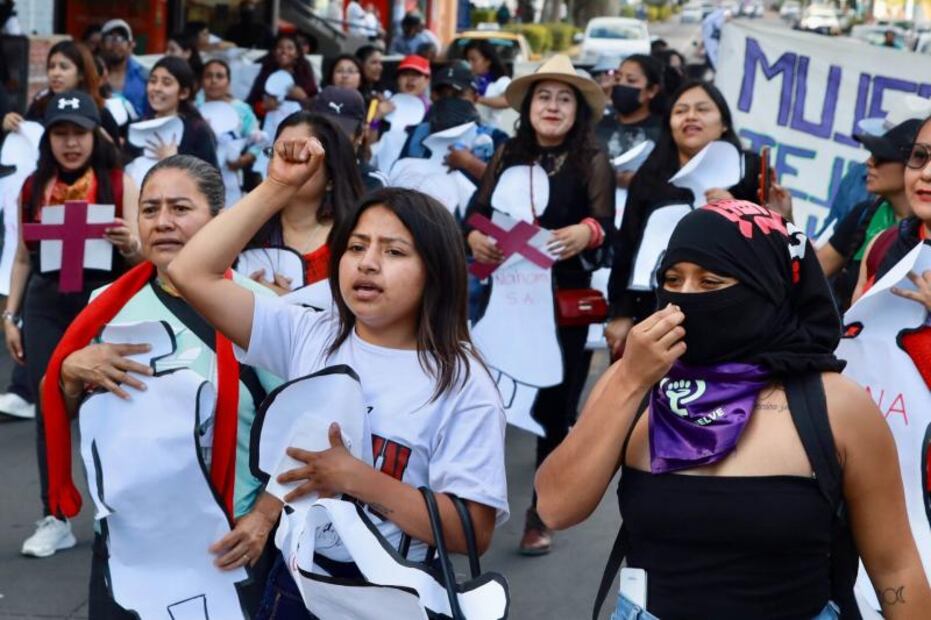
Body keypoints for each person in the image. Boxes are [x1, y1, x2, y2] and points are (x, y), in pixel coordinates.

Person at [535, 202, 931, 619]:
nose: (685, 296)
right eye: (672, 278)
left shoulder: (836, 406)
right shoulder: (636, 382)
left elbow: (895, 567)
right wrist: (630, 381)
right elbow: (557, 508)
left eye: (711, 281)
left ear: (767, 288)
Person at [166, 154, 508, 619]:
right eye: (356, 247)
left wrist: (354, 478)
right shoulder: (310, 332)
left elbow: (471, 530)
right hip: (297, 589)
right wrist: (276, 187)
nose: (367, 264)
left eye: (394, 251)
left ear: (436, 271)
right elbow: (190, 273)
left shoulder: (462, 382)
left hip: (400, 596)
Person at [37, 154, 281, 616]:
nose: (163, 222)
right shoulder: (101, 307)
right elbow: (62, 408)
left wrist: (264, 518)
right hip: (127, 552)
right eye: (150, 210)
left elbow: (310, 431)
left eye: (180, 209)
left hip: (226, 548)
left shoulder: (260, 309)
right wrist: (70, 371)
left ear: (218, 219)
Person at [465, 54, 614, 555]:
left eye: (564, 98)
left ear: (579, 110)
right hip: (504, 297)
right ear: (529, 106)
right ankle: (471, 503)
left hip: (561, 305)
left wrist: (584, 232)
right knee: (488, 400)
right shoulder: (508, 152)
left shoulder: (592, 160)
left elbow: (607, 227)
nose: (552, 106)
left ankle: (540, 513)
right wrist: (474, 237)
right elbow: (478, 213)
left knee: (555, 408)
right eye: (544, 96)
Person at [5, 91, 140, 558]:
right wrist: (10, 315)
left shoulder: (120, 183)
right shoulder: (32, 187)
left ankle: (122, 511)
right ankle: (56, 513)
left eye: (78, 132)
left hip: (106, 302)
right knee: (50, 405)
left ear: (94, 135)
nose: (70, 143)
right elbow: (23, 256)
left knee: (116, 406)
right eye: (60, 133)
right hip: (45, 304)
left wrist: (131, 242)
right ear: (48, 138)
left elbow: (146, 255)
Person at [605, 80, 788, 357]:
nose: (690, 117)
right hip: (654, 314)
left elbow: (774, 249)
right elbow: (627, 245)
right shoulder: (650, 175)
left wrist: (743, 211)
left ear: (724, 123)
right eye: (680, 111)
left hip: (732, 319)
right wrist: (620, 313)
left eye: (702, 109)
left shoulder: (751, 171)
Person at [248, 111, 364, 290]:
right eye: (276, 153)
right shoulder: (245, 226)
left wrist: (290, 306)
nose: (282, 164)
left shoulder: (353, 244)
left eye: (299, 156)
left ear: (331, 176)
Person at [817, 119, 919, 310]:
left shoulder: (923, 232)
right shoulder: (864, 214)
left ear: (912, 165)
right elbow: (812, 272)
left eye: (881, 156)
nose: (869, 162)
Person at [854, 116, 931, 304]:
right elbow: (851, 330)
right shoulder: (882, 243)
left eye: (881, 157)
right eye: (919, 156)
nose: (926, 173)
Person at [2, 40, 121, 144]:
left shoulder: (99, 111)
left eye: (63, 67)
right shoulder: (39, 106)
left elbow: (116, 157)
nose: (55, 73)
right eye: (51, 66)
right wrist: (9, 124)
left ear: (81, 74)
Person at [128, 56, 218, 169]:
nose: (156, 88)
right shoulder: (137, 126)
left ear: (184, 93)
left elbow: (211, 180)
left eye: (166, 83)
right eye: (153, 81)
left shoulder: (198, 131)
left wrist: (175, 162)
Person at [596, 54, 665, 188]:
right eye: (617, 78)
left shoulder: (664, 131)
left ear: (652, 90)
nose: (621, 85)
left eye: (631, 80)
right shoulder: (597, 124)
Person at [310, 86, 388, 192]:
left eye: (342, 131)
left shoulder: (372, 181)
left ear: (360, 135)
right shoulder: (295, 173)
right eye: (324, 128)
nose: (331, 137)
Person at [246, 32, 318, 116]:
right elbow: (249, 106)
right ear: (274, 52)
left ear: (297, 53)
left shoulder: (305, 76)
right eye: (280, 47)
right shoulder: (265, 75)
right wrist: (263, 106)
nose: (284, 51)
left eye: (290, 48)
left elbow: (317, 108)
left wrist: (303, 98)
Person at [100, 19, 148, 119]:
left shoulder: (144, 75)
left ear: (130, 45)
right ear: (101, 45)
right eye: (109, 38)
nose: (115, 44)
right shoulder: (94, 73)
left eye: (121, 38)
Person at [464, 39, 511, 131]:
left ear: (487, 61)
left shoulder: (501, 81)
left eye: (474, 60)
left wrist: (477, 99)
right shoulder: (466, 79)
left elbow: (507, 101)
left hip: (491, 131)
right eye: (467, 60)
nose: (469, 64)